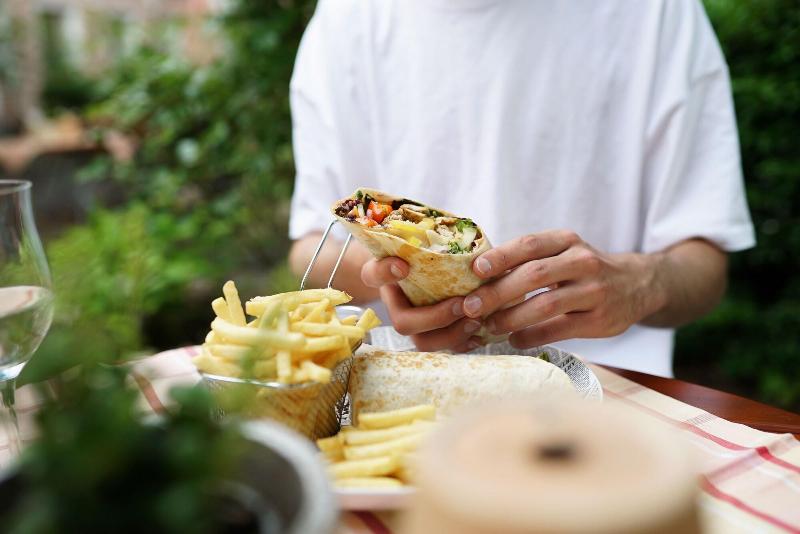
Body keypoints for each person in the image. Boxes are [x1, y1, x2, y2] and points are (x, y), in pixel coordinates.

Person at [287, 0, 755, 377]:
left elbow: (704, 264)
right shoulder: (345, 21)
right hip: (408, 379)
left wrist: (641, 284)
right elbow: (311, 247)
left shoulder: (657, 13)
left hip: (612, 393)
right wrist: (387, 273)